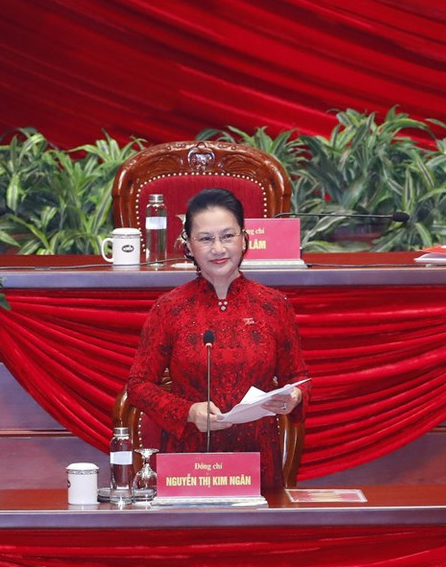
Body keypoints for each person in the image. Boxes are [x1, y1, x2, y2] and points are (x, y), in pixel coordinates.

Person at [126, 188, 310, 490]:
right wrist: (188, 411)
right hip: (189, 459)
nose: (218, 248)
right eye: (205, 239)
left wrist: (294, 397)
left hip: (257, 460)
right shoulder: (170, 308)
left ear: (245, 239)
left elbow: (299, 378)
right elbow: (138, 386)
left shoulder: (273, 305)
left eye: (227, 236)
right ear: (188, 246)